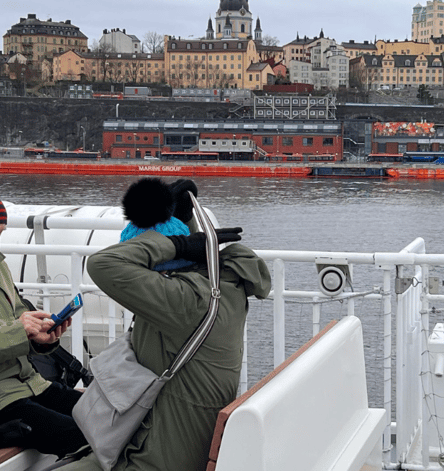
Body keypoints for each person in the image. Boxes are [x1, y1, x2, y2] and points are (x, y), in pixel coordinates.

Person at [62, 178, 271, 471]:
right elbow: (186, 257)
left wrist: (176, 243)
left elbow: (102, 264)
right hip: (167, 438)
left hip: (155, 458)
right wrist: (185, 225)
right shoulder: (220, 285)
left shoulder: (182, 300)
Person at [0, 199, 88, 457]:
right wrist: (20, 329)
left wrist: (40, 338)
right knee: (81, 435)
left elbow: (17, 318)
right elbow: (15, 328)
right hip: (5, 398)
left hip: (28, 383)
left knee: (104, 415)